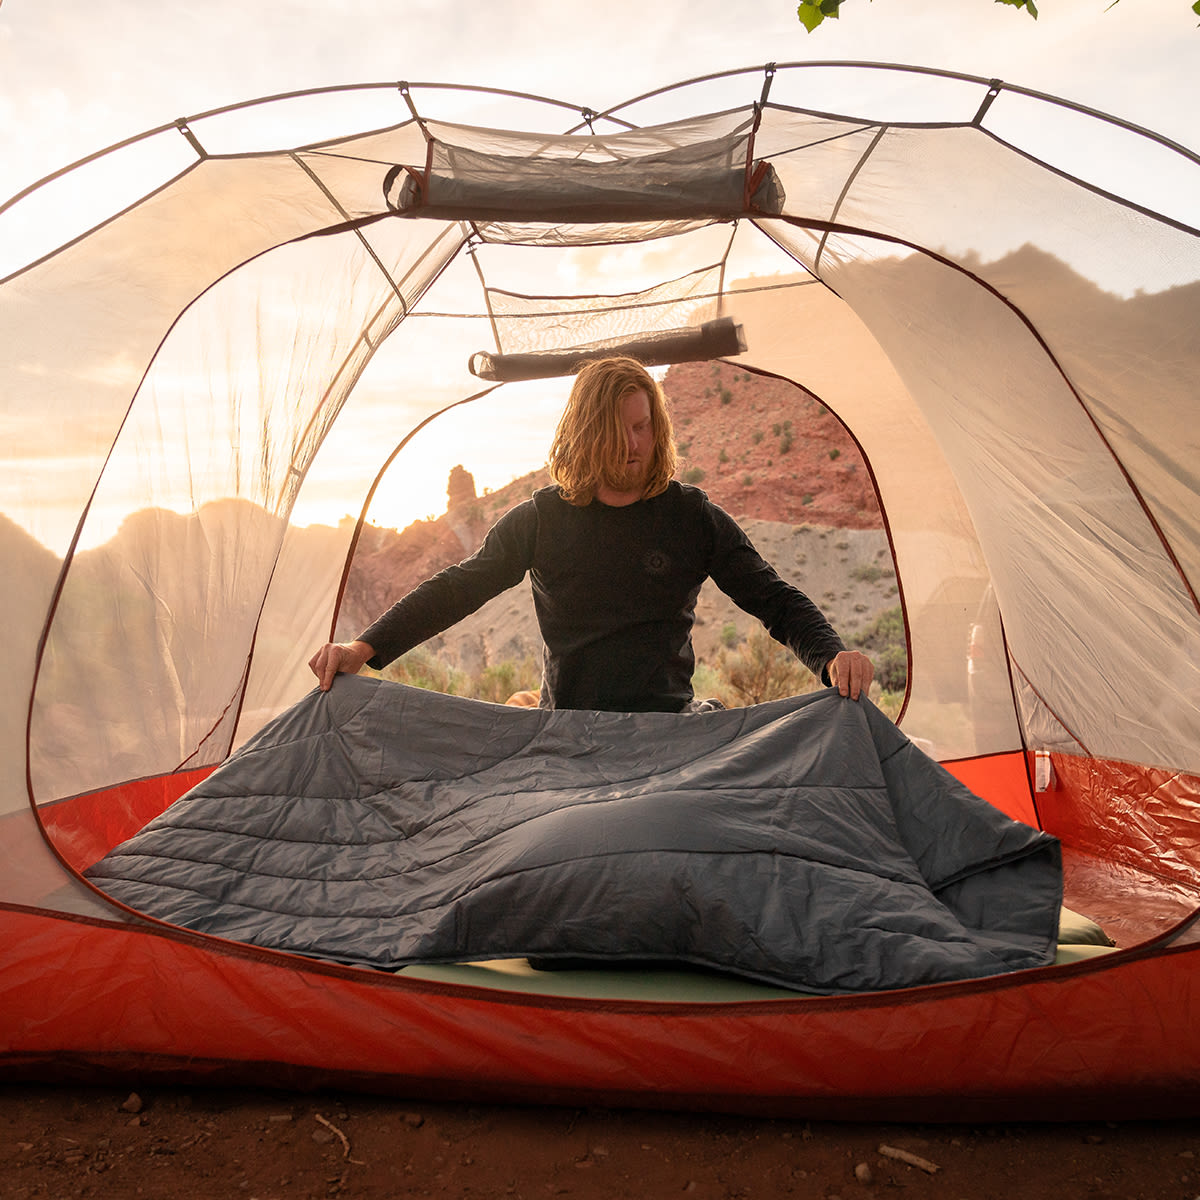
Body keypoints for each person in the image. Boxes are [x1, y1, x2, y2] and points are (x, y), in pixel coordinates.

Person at [309, 357, 873, 711]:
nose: (633, 444)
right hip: (566, 728)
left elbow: (772, 597)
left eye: (643, 426)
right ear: (584, 434)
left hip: (667, 725)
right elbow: (459, 587)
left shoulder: (690, 516)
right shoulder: (541, 519)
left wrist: (832, 657)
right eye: (617, 430)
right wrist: (363, 648)